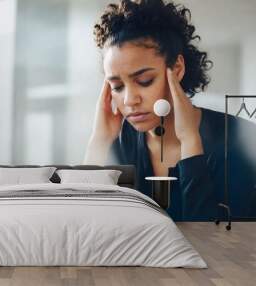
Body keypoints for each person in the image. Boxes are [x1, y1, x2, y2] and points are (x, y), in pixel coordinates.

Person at [84, 0, 256, 221]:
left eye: (144, 80)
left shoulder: (239, 141)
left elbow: (212, 243)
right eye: (117, 86)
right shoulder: (121, 142)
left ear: (177, 69)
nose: (129, 100)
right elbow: (84, 225)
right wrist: (99, 140)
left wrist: (190, 141)